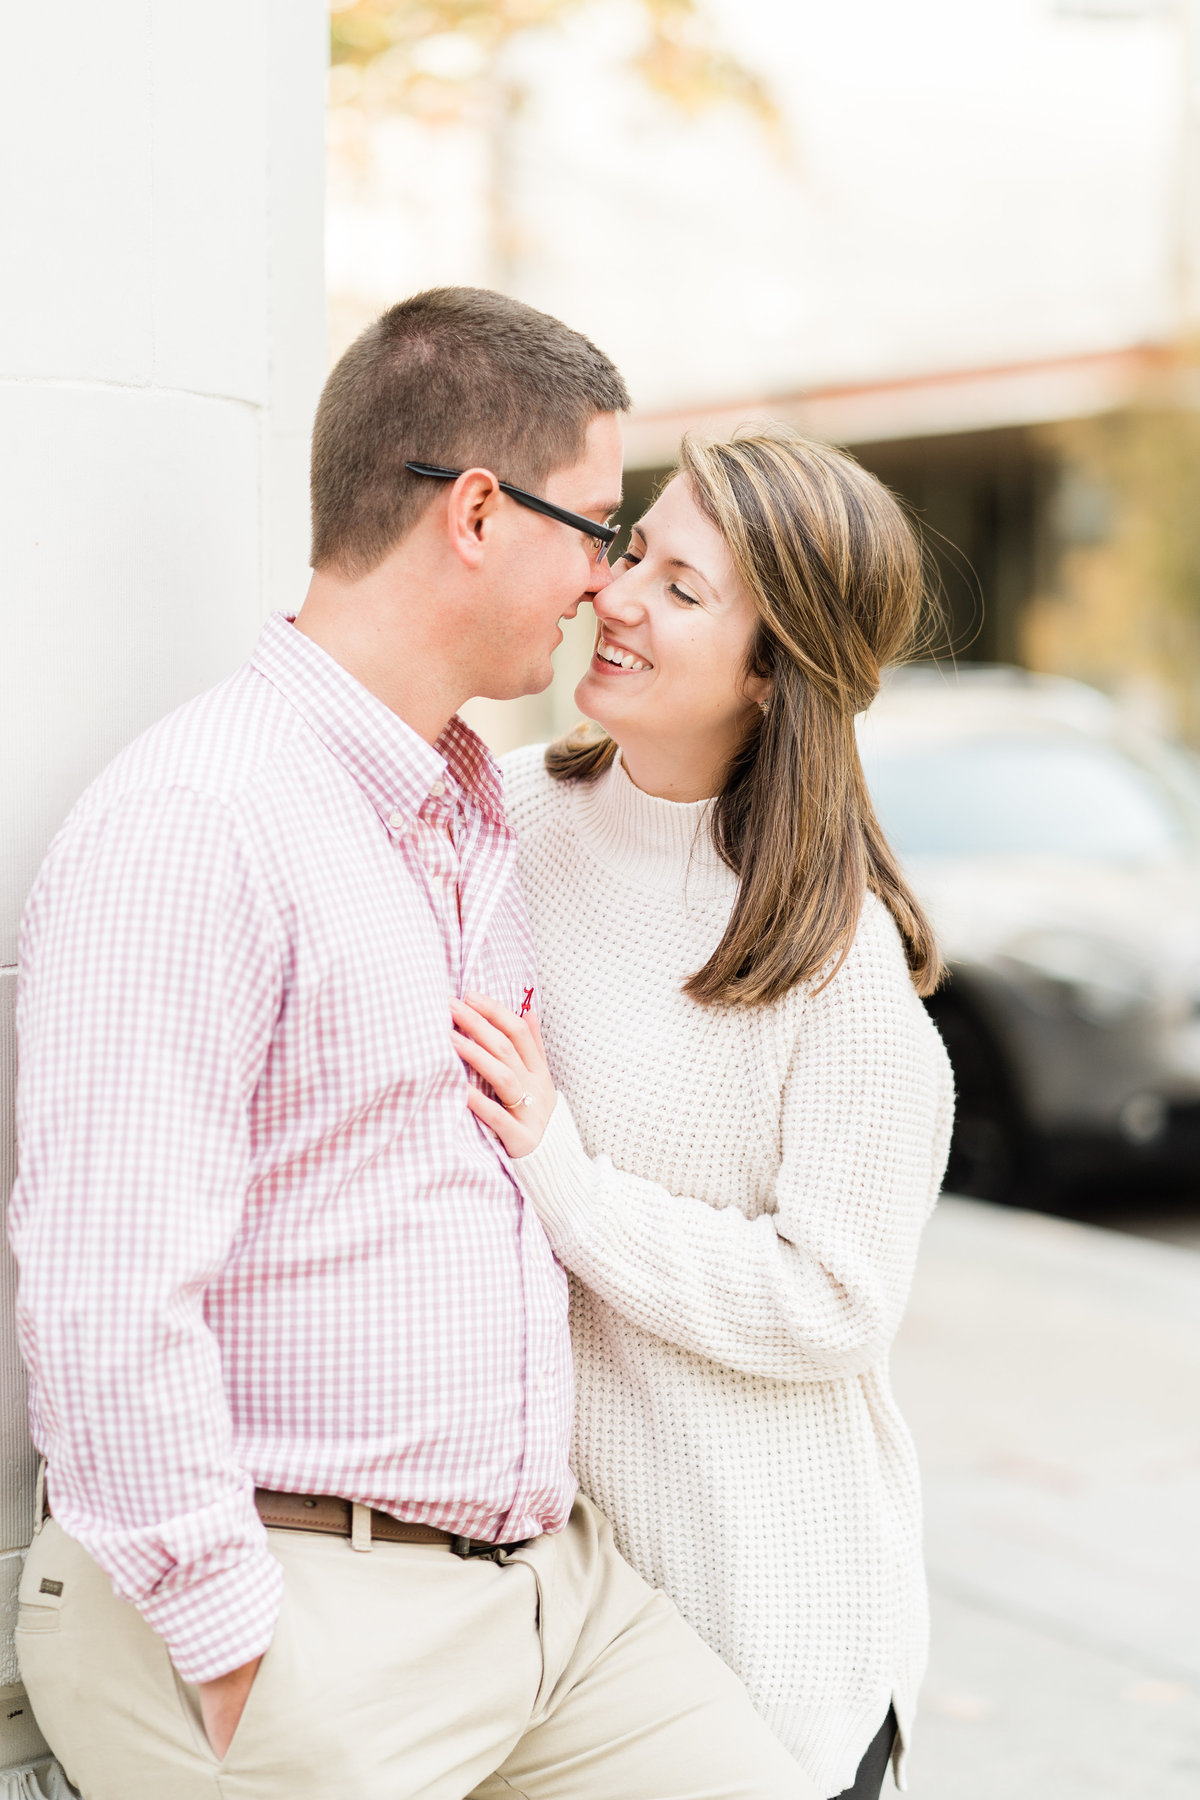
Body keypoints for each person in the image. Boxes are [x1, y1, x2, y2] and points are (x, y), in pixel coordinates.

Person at [10, 292, 817, 1800]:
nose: (600, 584)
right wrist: (235, 1646)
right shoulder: (203, 826)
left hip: (545, 1602)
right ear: (472, 514)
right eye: (592, 527)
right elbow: (104, 1292)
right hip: (299, 1609)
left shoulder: (472, 814)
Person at [449, 425, 955, 1800]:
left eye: (682, 588)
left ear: (777, 666)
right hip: (548, 1649)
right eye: (633, 554)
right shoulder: (499, 825)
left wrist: (571, 1180)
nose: (613, 597)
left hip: (770, 1653)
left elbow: (839, 1299)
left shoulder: (828, 959)